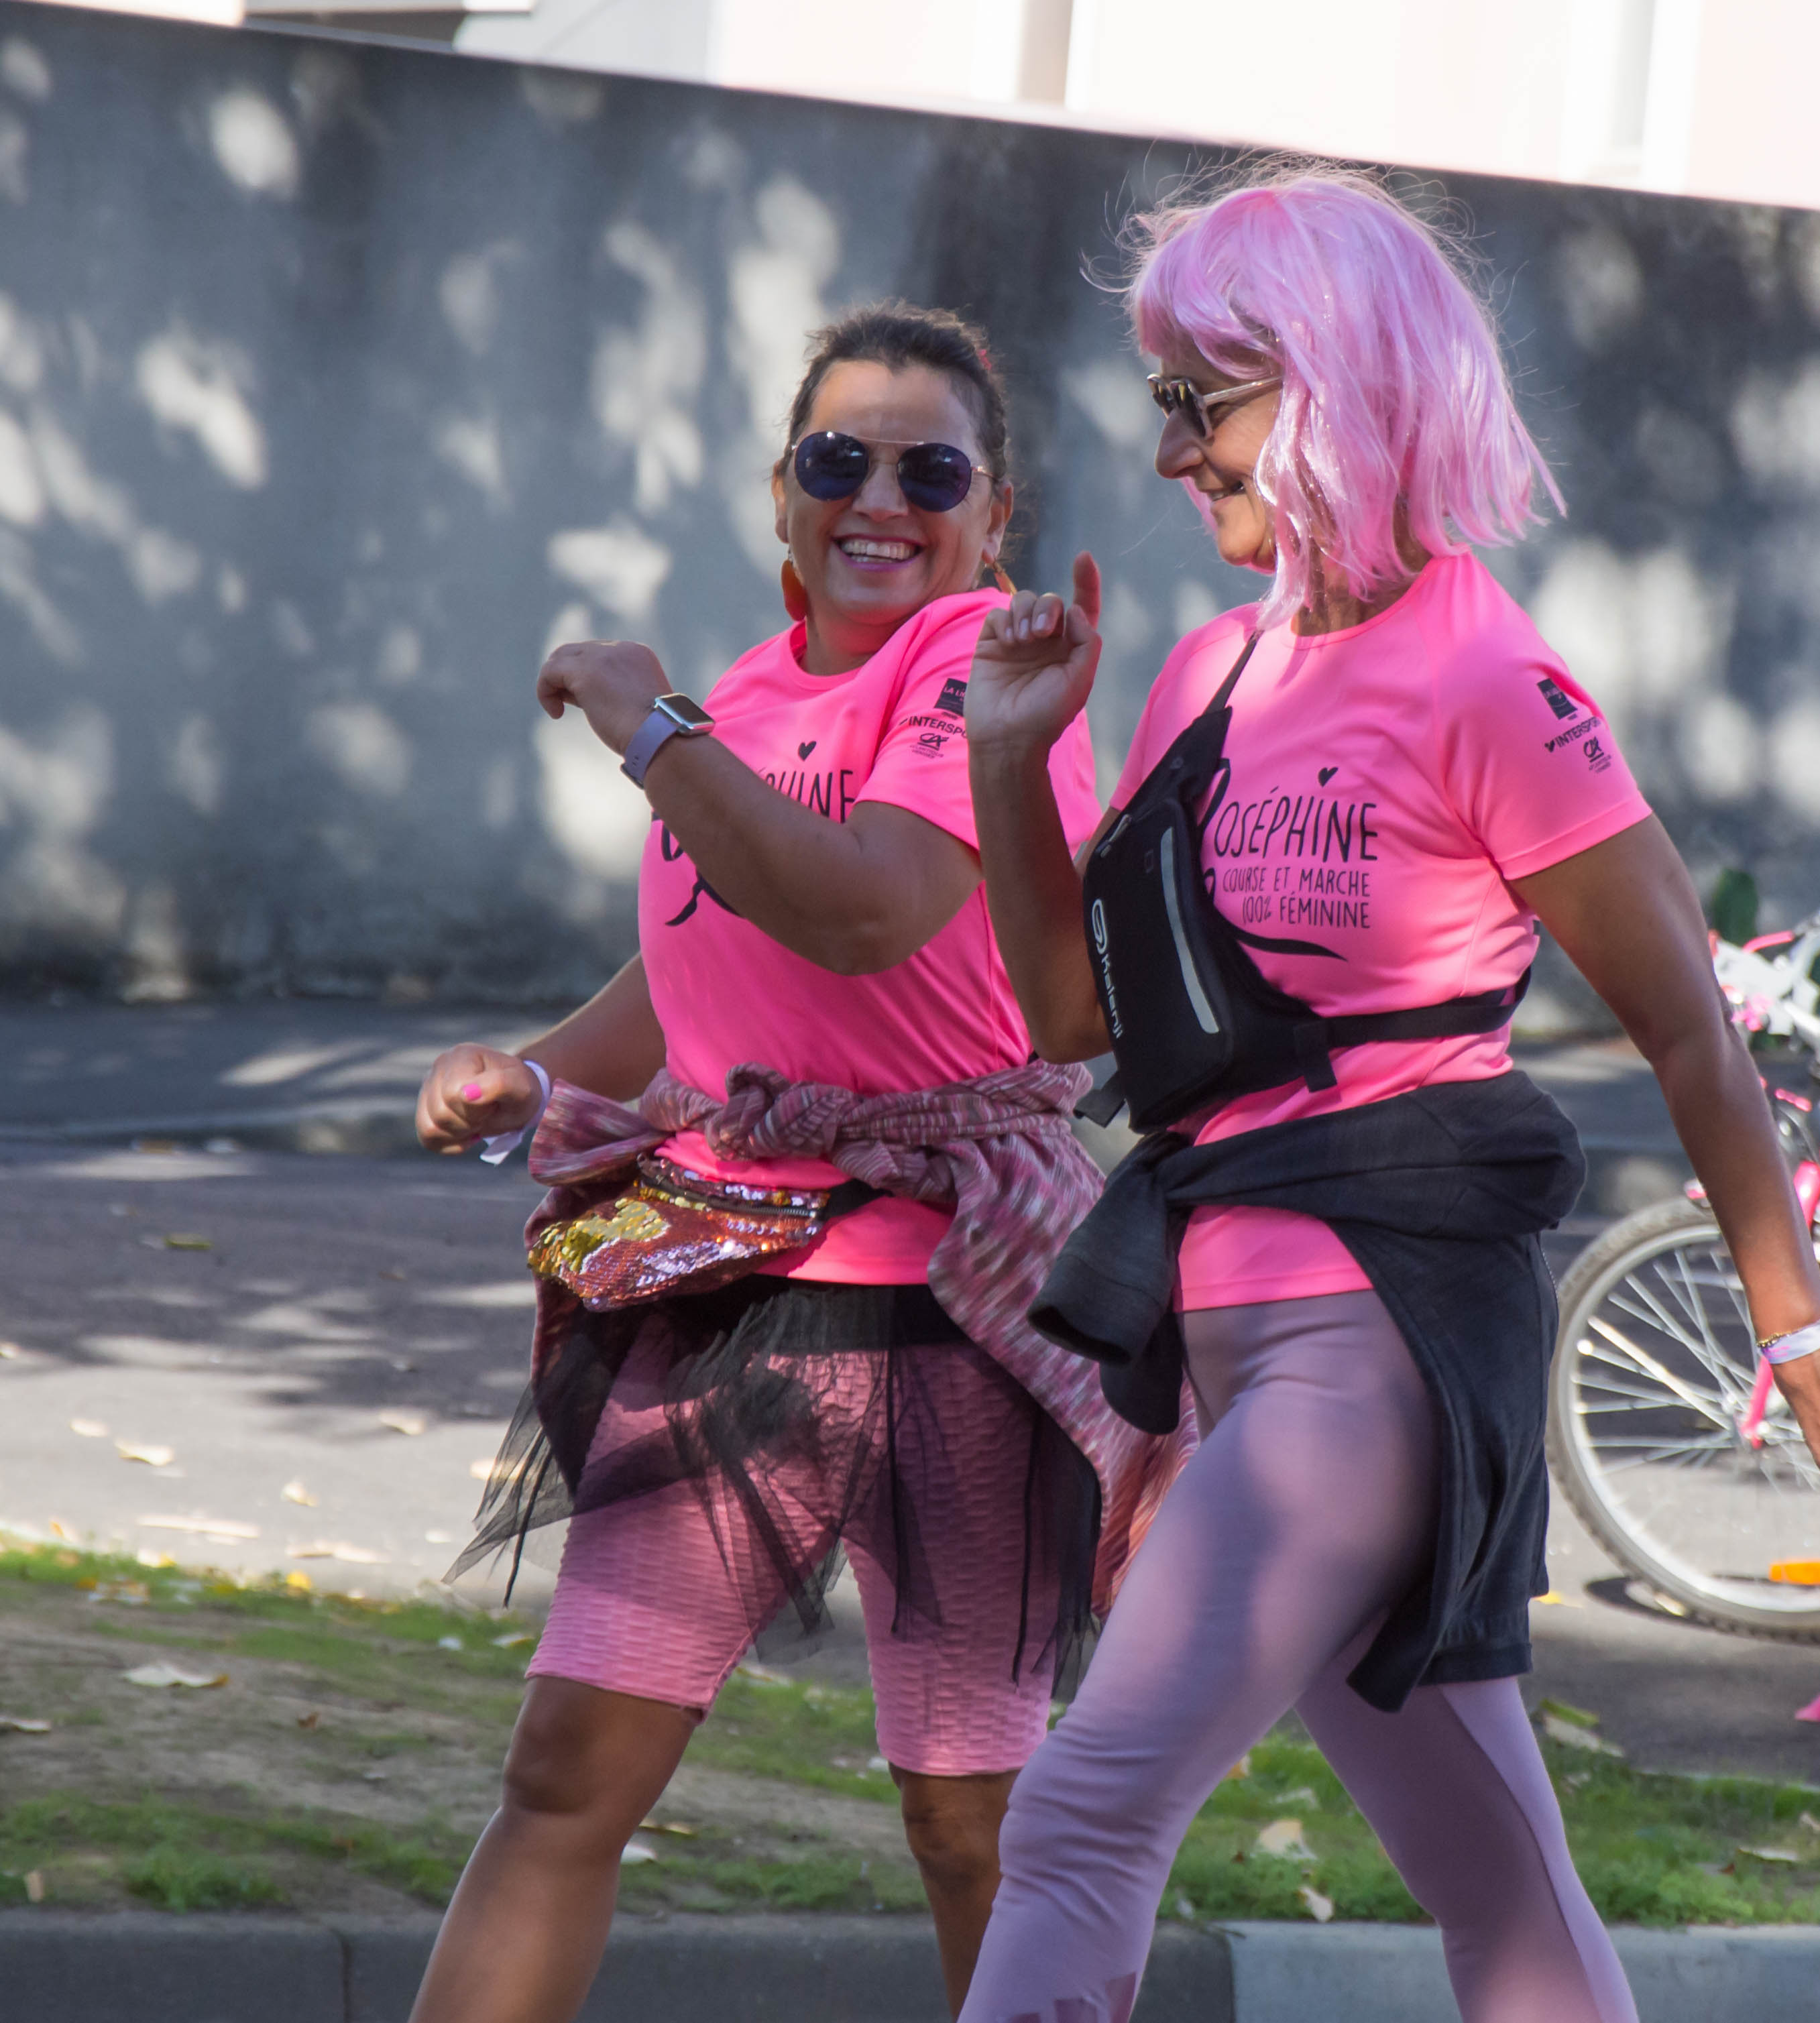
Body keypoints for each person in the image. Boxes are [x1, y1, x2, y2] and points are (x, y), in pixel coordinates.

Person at [954, 166, 1820, 2023]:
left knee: (1081, 1810)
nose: (1168, 450)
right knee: (1500, 1894)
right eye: (1159, 397)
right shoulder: (1206, 672)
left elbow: (1682, 1031)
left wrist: (1792, 1325)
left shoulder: (1490, 677)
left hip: (1376, 1345)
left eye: (1202, 398)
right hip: (1240, 1343)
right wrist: (1017, 765)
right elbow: (1080, 1022)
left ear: (1332, 380)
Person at [408, 302, 1186, 2023]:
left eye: (932, 467)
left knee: (973, 1822)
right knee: (562, 1776)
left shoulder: (984, 662)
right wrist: (524, 1073)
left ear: (994, 511)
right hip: (728, 1284)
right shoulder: (754, 693)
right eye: (839, 459)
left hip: (960, 1321)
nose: (879, 497)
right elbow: (706, 955)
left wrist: (641, 721)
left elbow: (859, 911)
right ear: (780, 492)